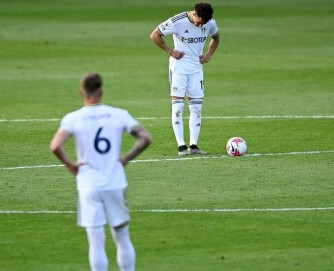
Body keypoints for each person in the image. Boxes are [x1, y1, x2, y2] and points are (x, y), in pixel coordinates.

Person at [50, 73, 152, 271]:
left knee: (96, 241)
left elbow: (55, 145)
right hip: (115, 182)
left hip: (88, 184)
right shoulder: (118, 114)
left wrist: (70, 164)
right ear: (102, 92)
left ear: (82, 92)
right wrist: (125, 159)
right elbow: (145, 138)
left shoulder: (74, 118)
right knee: (122, 237)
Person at [150, 2, 219, 155]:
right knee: (178, 107)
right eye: (201, 21)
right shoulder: (177, 21)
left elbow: (216, 38)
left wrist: (208, 55)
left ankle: (193, 146)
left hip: (196, 69)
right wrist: (170, 51)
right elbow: (155, 35)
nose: (202, 25)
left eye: (205, 22)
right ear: (195, 14)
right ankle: (181, 146)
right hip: (178, 69)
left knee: (196, 108)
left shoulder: (210, 22)